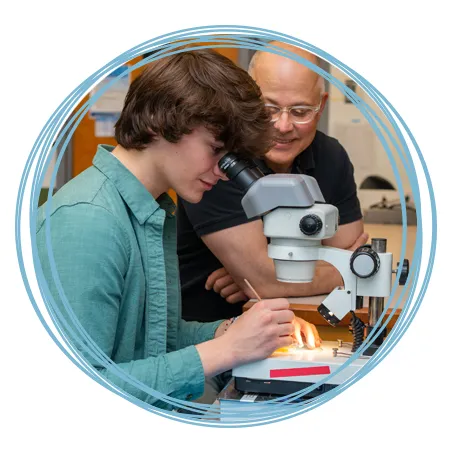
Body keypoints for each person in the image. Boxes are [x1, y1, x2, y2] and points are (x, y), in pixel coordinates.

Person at [36, 49, 308, 411]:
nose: (224, 171)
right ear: (159, 124)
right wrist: (225, 351)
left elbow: (152, 340)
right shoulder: (89, 221)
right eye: (216, 150)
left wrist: (233, 331)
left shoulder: (148, 210)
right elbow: (79, 390)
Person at [177, 42, 368, 326]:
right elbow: (265, 282)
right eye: (268, 109)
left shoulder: (332, 157)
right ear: (247, 101)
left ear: (321, 106)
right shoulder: (219, 158)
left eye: (301, 111)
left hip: (298, 324)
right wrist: (349, 271)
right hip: (207, 334)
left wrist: (262, 273)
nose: (282, 125)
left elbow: (348, 253)